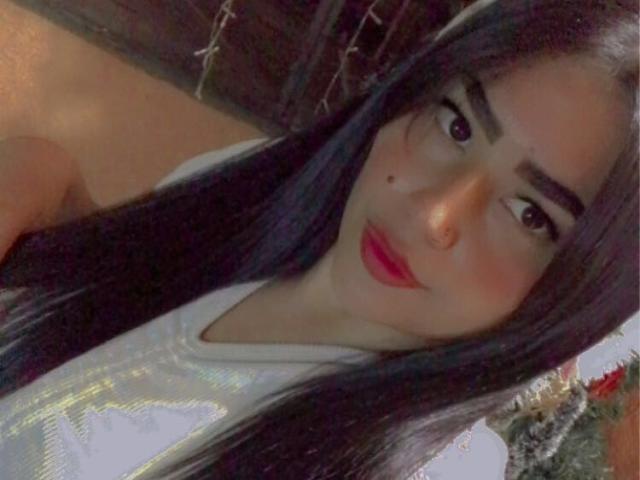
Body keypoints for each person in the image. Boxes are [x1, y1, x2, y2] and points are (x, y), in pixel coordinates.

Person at [0, 0, 637, 479]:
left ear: (577, 297)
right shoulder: (267, 204)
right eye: (458, 125)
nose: (433, 212)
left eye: (530, 214)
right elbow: (106, 337)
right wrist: (47, 178)